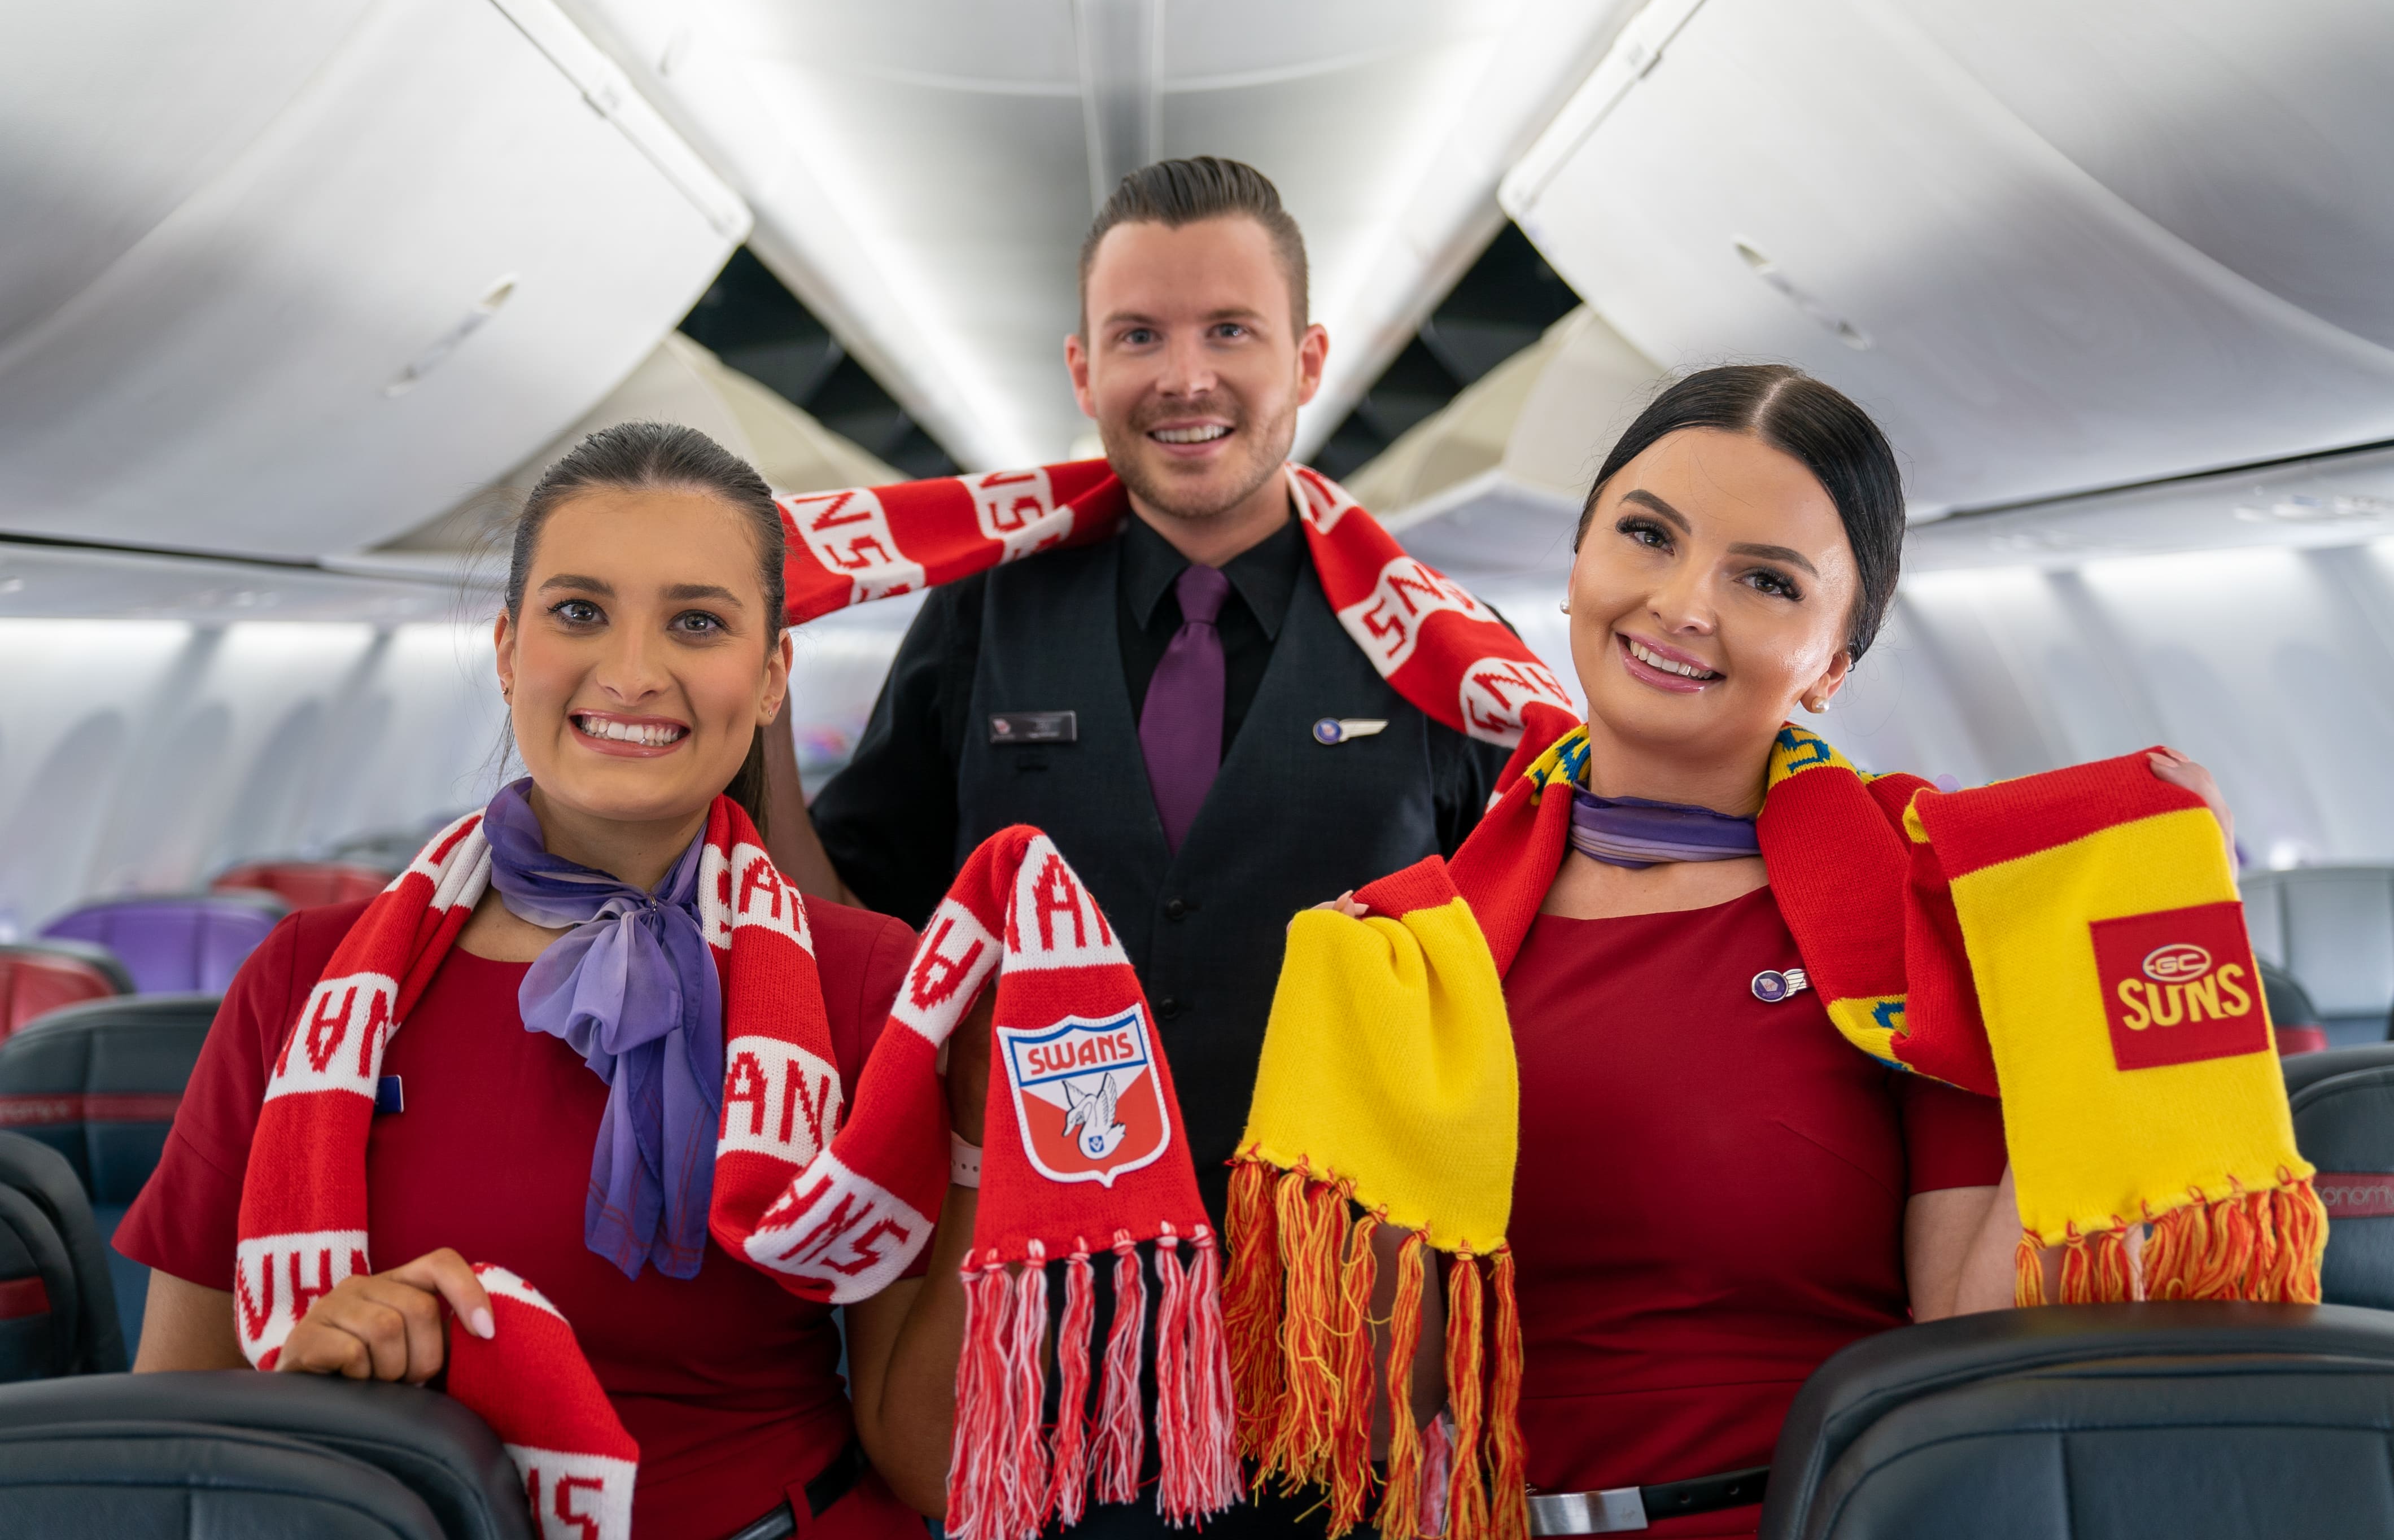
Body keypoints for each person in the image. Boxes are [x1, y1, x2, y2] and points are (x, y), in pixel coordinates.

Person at [1243, 365, 2248, 1540]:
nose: (1682, 604)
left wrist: (2116, 952)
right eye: (1644, 536)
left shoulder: (1915, 921)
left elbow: (1980, 1359)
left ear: (1830, 661)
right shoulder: (1412, 955)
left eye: (1764, 581)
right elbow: (1371, 1423)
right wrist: (1359, 1111)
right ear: (1575, 569)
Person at [777, 158, 1517, 1535]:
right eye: (1140, 336)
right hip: (1041, 1331)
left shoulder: (1427, 648)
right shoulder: (981, 619)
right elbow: (851, 925)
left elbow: (1522, 960)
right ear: (1081, 366)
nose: (1186, 377)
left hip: (1333, 1340)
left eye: (1228, 330)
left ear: (1302, 358)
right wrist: (745, 707)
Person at [115, 424, 929, 1540]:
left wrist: (976, 1135)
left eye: (697, 622)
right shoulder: (305, 980)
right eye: (578, 612)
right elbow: (179, 1425)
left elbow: (932, 1463)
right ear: (507, 651)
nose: (633, 671)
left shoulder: (873, 983)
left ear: (774, 673)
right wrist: (303, 1383)